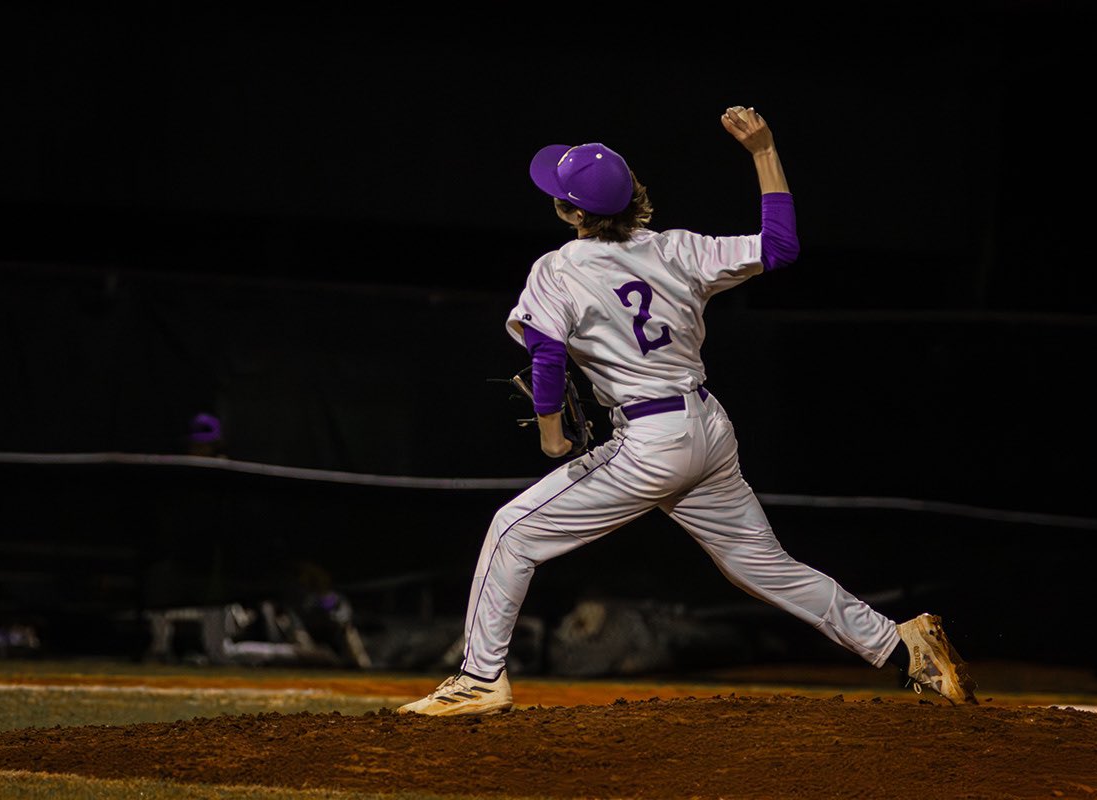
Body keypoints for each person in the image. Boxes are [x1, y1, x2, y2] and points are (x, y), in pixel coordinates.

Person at [399, 106, 977, 716]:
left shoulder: (559, 267)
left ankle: (481, 678)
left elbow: (545, 355)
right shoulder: (680, 250)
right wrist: (763, 151)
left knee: (512, 533)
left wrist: (550, 437)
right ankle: (903, 646)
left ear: (571, 212)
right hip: (707, 428)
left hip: (651, 442)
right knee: (762, 566)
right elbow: (780, 246)